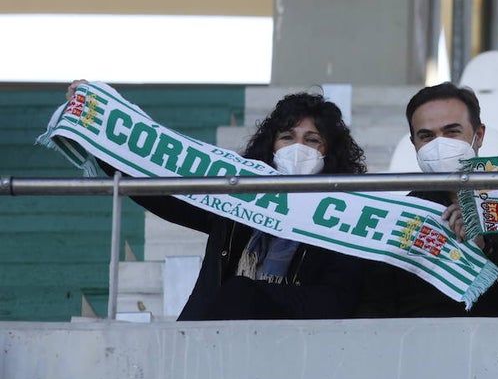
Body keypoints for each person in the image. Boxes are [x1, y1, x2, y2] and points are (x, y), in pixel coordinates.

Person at [65, 82, 368, 320]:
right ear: (271, 146)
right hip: (208, 342)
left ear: (330, 153)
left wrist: (249, 296)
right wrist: (100, 134)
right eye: (287, 137)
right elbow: (159, 193)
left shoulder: (346, 219)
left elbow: (335, 300)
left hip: (293, 350)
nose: (298, 148)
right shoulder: (236, 202)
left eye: (312, 140)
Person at [357, 82, 498, 317]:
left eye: (452, 132)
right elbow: (373, 308)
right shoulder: (402, 216)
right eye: (426, 136)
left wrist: (486, 248)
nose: (440, 144)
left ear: (479, 135)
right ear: (414, 144)